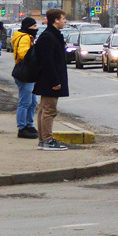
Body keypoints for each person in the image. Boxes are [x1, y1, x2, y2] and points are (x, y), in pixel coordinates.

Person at [33, 9, 72, 151]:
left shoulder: (51, 35)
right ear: (56, 20)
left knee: (44, 110)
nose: (64, 21)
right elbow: (47, 62)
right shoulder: (49, 37)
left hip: (48, 79)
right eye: (63, 18)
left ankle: (44, 140)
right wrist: (55, 81)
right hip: (49, 80)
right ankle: (47, 140)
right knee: (49, 111)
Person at [12, 17, 39, 140]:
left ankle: (29, 124)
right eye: (33, 26)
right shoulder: (25, 37)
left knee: (32, 101)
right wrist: (35, 54)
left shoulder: (27, 37)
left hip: (29, 73)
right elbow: (24, 54)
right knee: (25, 102)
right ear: (28, 27)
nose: (36, 28)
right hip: (25, 73)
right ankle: (22, 128)